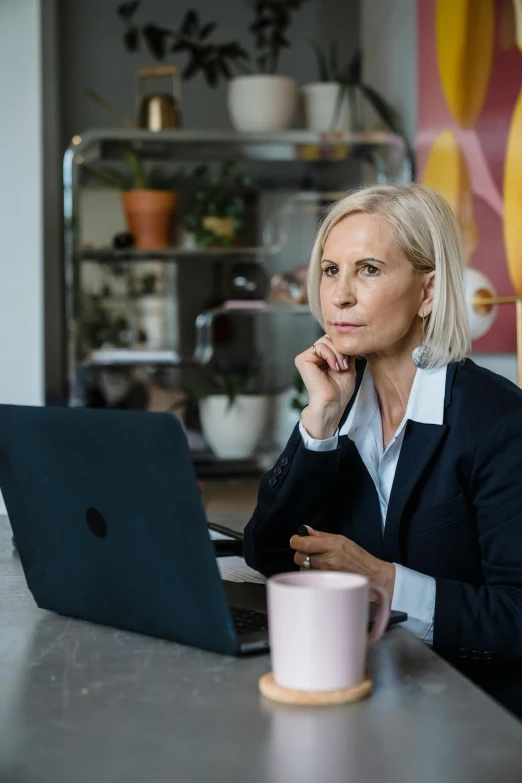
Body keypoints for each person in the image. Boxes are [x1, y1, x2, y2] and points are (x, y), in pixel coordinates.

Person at [243, 184, 522, 719]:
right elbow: (270, 553)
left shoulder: (500, 424)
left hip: (475, 718)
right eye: (330, 270)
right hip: (367, 693)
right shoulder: (341, 407)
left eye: (368, 269)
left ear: (429, 292)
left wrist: (385, 581)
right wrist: (319, 422)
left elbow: (517, 617)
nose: (340, 295)